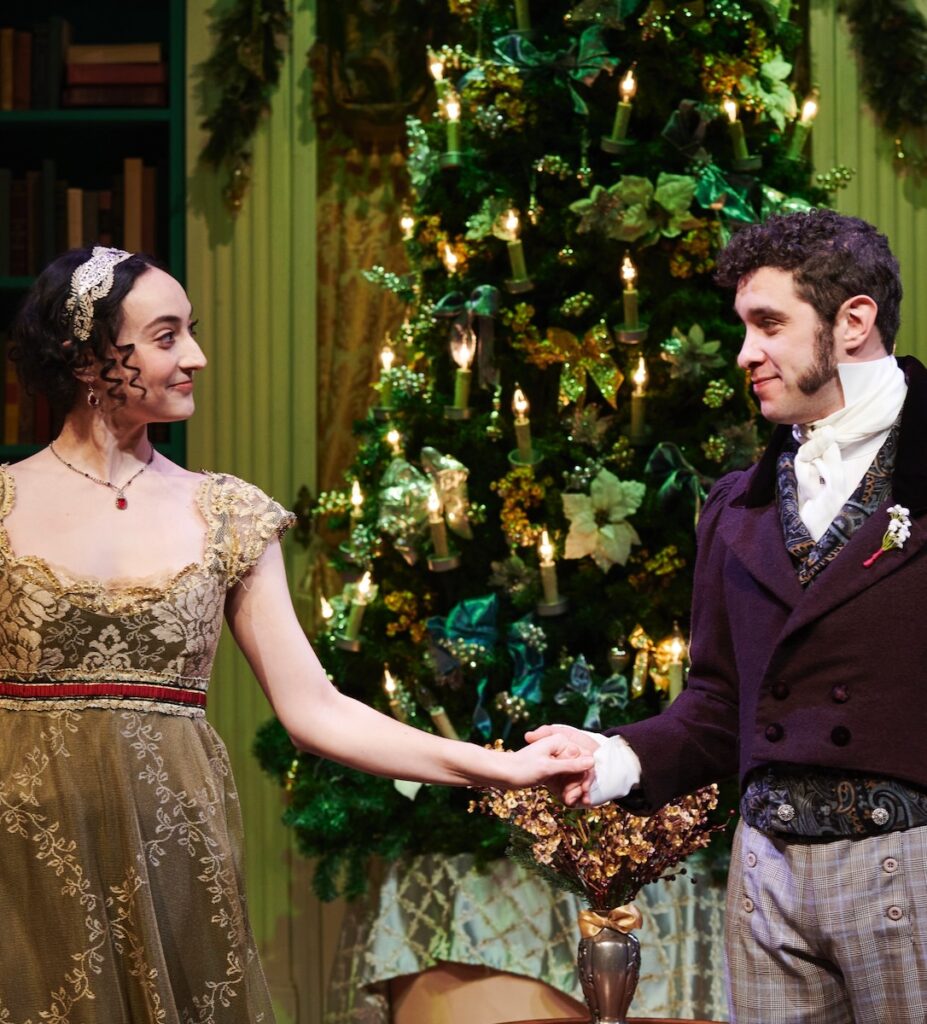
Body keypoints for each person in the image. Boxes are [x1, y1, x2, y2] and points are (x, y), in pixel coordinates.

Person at [0, 246, 593, 1022]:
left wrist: (498, 769)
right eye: (167, 336)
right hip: (21, 843)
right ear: (88, 357)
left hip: (172, 847)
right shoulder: (6, 504)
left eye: (193, 332)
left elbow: (315, 707)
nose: (197, 358)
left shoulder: (227, 513)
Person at [529, 210, 927, 1023]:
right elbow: (715, 707)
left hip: (908, 863)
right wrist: (609, 758)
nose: (746, 353)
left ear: (853, 322)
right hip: (764, 873)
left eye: (768, 324)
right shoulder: (734, 508)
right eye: (743, 327)